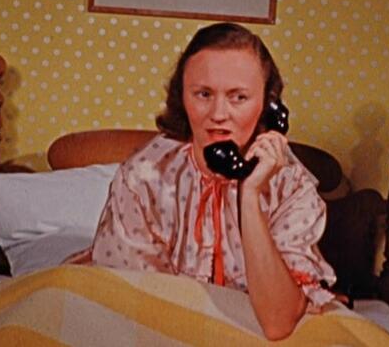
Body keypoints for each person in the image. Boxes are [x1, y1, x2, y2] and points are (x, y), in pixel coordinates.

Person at [66, 22, 336, 340]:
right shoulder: (145, 175)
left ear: (269, 105)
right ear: (183, 97)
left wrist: (249, 196)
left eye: (239, 97)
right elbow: (132, 305)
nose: (218, 114)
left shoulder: (292, 184)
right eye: (203, 94)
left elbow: (278, 323)